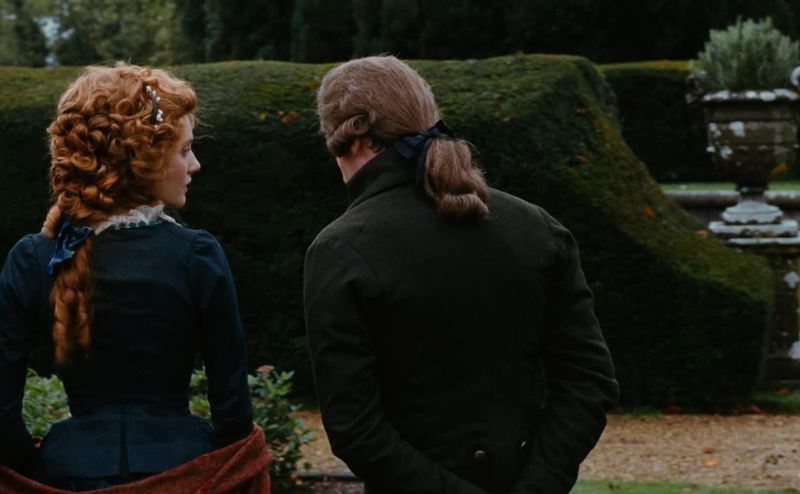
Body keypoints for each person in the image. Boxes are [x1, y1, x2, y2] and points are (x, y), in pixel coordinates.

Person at [305, 55, 620, 494]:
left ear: (350, 138)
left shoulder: (341, 250)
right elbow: (589, 381)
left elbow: (354, 427)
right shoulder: (535, 227)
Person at [0, 64, 259, 491]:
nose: (195, 164)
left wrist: (36, 466)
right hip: (182, 472)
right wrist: (204, 465)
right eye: (184, 150)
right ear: (145, 160)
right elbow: (232, 408)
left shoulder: (34, 258)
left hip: (68, 474)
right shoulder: (197, 255)